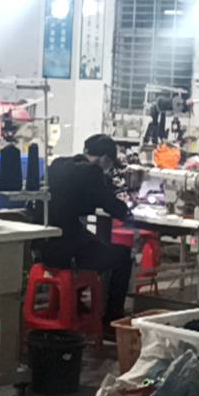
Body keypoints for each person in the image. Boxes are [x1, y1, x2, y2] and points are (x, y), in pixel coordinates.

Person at [44, 134, 134, 329]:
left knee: (92, 243)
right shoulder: (92, 172)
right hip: (67, 253)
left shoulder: (58, 164)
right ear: (105, 159)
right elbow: (112, 206)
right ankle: (112, 320)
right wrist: (128, 210)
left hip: (45, 247)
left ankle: (74, 303)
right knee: (122, 256)